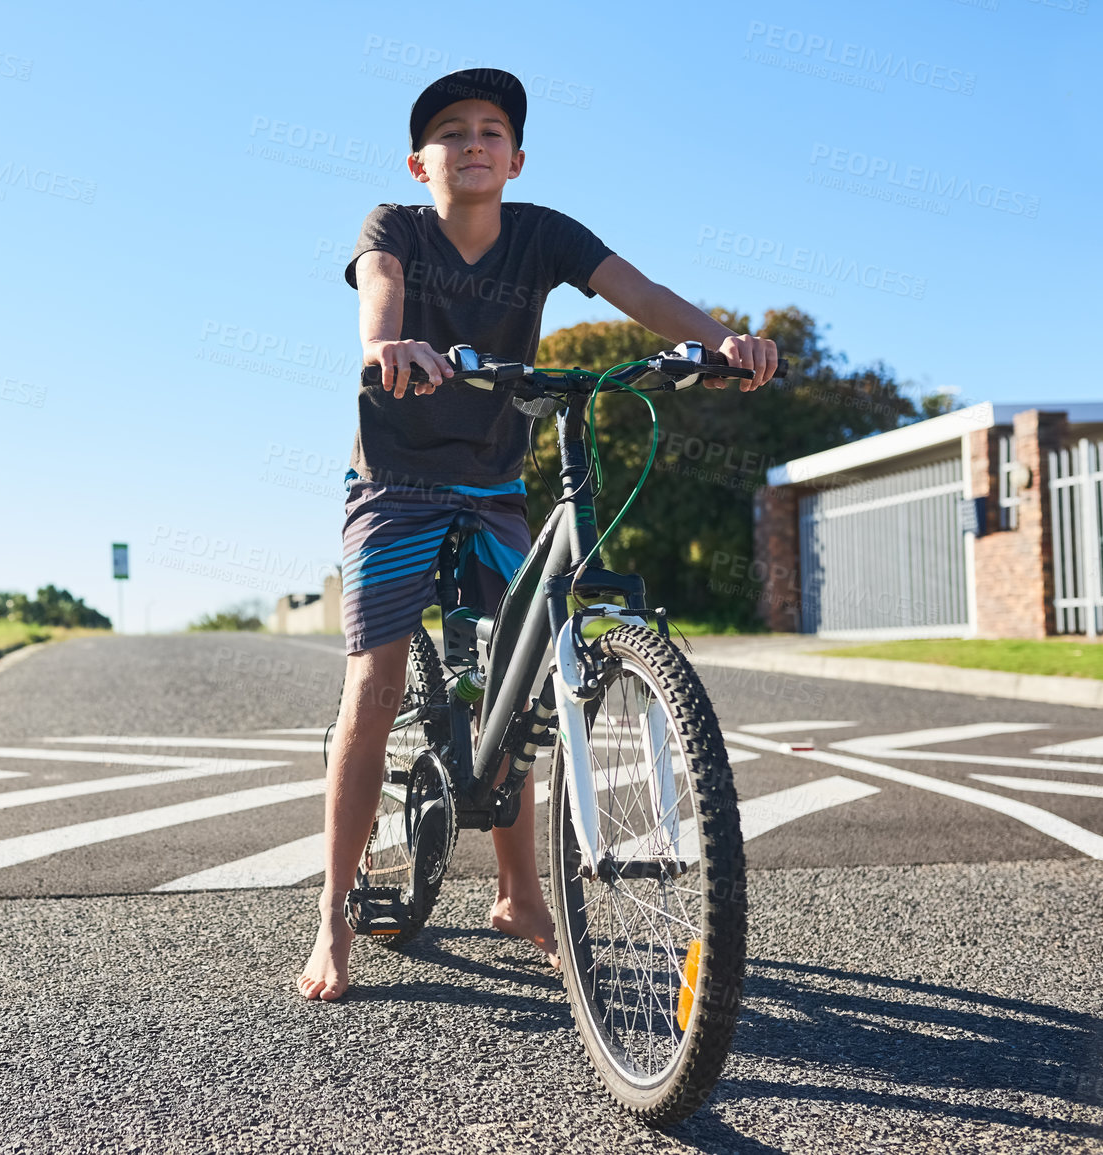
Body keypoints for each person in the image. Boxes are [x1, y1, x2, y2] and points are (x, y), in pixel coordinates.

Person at [299, 68, 778, 1002]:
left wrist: (722, 342)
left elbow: (637, 291)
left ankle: (521, 894)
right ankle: (330, 916)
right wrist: (385, 347)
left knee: (517, 684)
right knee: (377, 675)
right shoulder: (393, 227)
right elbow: (379, 290)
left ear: (515, 159)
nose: (472, 141)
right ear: (419, 161)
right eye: (451, 131)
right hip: (394, 481)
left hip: (492, 483)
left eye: (491, 130)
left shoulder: (543, 233)